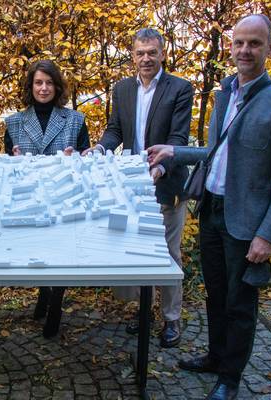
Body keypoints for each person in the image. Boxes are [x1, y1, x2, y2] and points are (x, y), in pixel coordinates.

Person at [148, 15, 271, 400]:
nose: (245, 50)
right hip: (212, 210)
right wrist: (175, 151)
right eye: (239, 43)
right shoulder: (226, 93)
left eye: (254, 43)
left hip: (247, 222)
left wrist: (267, 234)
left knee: (240, 303)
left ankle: (230, 379)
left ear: (269, 48)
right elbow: (217, 153)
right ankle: (216, 357)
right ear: (230, 47)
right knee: (216, 293)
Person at [82, 28, 193, 348]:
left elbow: (178, 139)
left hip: (166, 182)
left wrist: (160, 167)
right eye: (140, 53)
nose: (146, 58)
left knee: (168, 252)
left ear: (163, 54)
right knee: (136, 249)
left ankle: (171, 318)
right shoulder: (123, 88)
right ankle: (143, 311)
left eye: (152, 52)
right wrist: (100, 148)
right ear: (133, 56)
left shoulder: (180, 88)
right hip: (131, 183)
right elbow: (115, 130)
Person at [5, 59, 90, 338]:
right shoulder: (14, 122)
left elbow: (87, 163)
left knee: (61, 252)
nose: (44, 88)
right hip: (31, 200)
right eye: (38, 82)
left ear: (57, 86)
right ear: (30, 86)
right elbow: (6, 169)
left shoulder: (75, 120)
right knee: (40, 250)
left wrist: (73, 160)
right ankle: (44, 292)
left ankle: (55, 305)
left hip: (64, 199)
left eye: (49, 83)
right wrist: (15, 160)